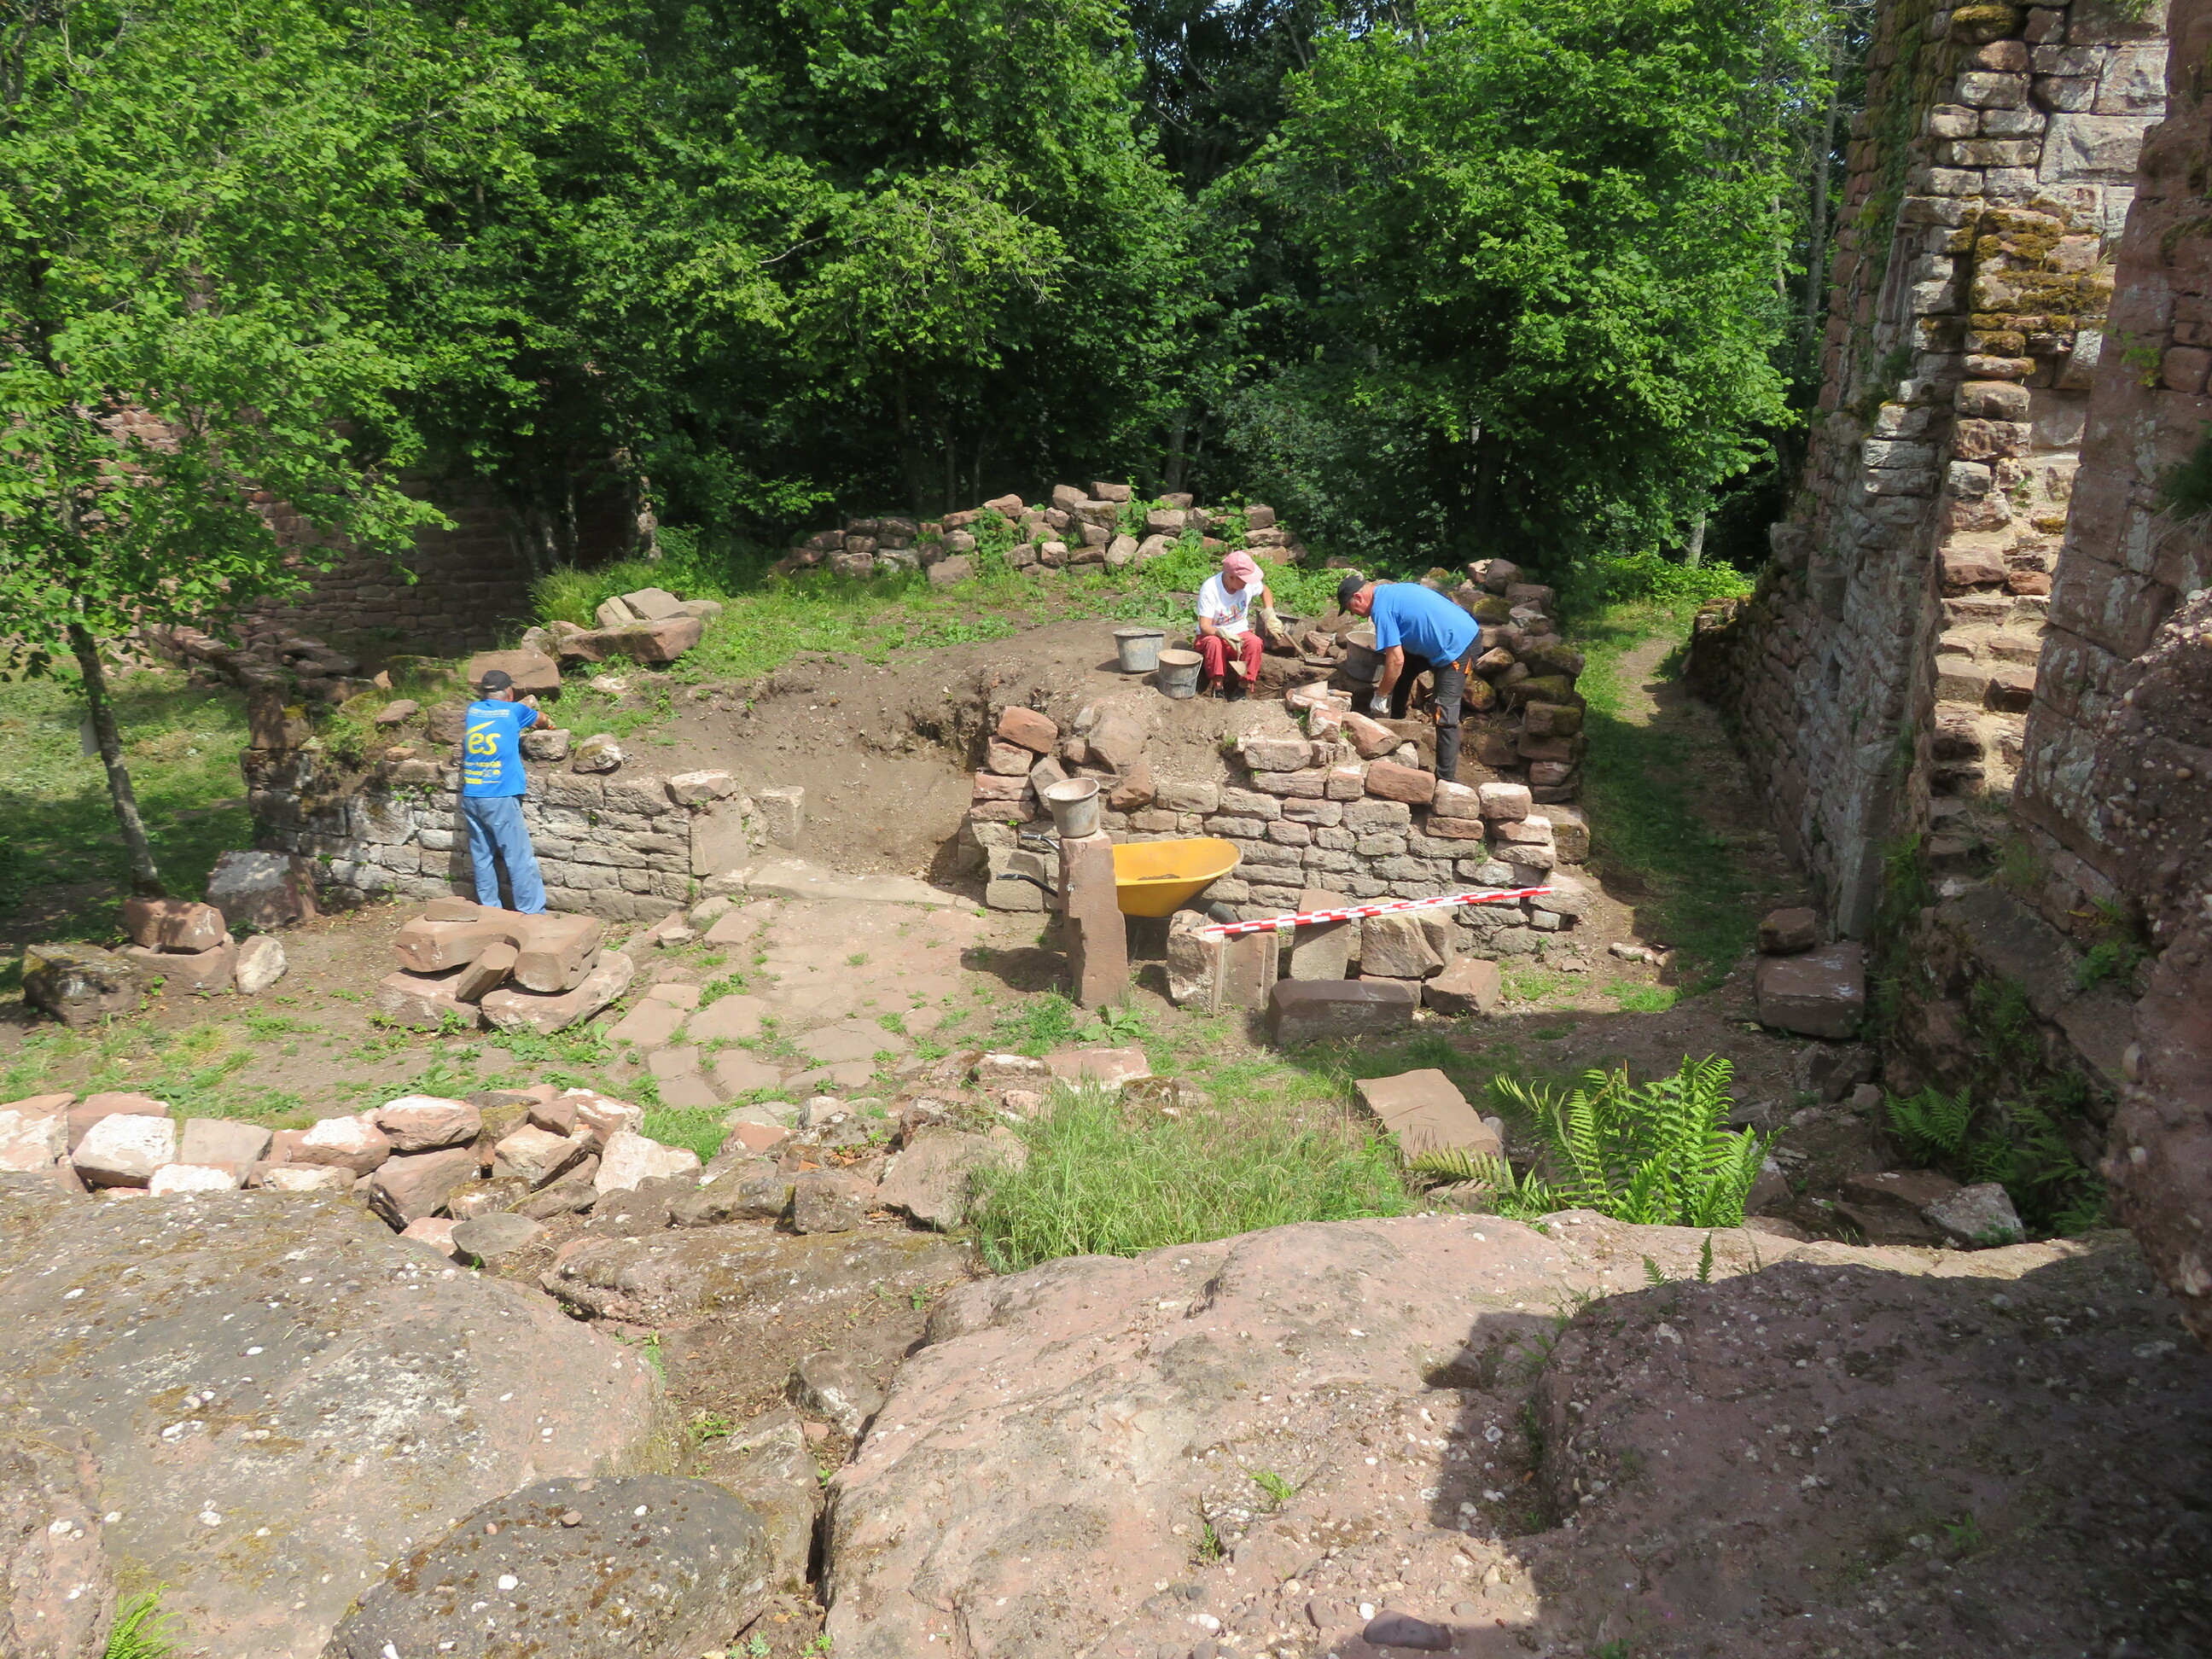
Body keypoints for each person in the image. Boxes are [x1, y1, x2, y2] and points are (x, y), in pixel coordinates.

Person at [1336, 572, 1479, 783]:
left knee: (1444, 712)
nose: (1354, 614)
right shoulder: (1386, 593)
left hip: (1458, 645)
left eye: (1350, 608)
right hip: (1439, 638)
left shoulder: (1382, 609)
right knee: (1401, 675)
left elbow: (1396, 660)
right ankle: (1396, 725)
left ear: (1358, 597)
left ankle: (1446, 781)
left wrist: (1380, 695)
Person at [460, 667, 550, 914]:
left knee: (482, 856)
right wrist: (549, 723)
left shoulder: (473, 710)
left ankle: (490, 911)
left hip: (472, 795)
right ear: (509, 692)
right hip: (499, 795)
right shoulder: (515, 711)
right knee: (518, 857)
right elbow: (541, 720)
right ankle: (532, 913)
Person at [1194, 550, 1278, 700]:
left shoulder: (1248, 584)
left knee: (1255, 643)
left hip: (1240, 632)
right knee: (1214, 643)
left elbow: (1265, 591)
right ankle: (1218, 688)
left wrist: (1269, 612)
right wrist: (1223, 634)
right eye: (1244, 580)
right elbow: (1205, 626)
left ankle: (1242, 689)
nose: (1247, 583)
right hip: (1213, 634)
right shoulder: (1211, 588)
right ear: (1231, 577)